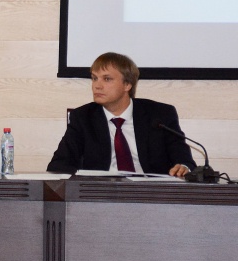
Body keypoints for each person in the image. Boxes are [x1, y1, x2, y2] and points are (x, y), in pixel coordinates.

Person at [47, 52, 194, 177]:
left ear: (127, 85)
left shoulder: (160, 115)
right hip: (101, 194)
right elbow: (58, 165)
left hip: (150, 192)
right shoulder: (82, 118)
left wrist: (183, 167)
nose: (97, 85)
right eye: (94, 78)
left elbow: (184, 160)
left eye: (107, 79)